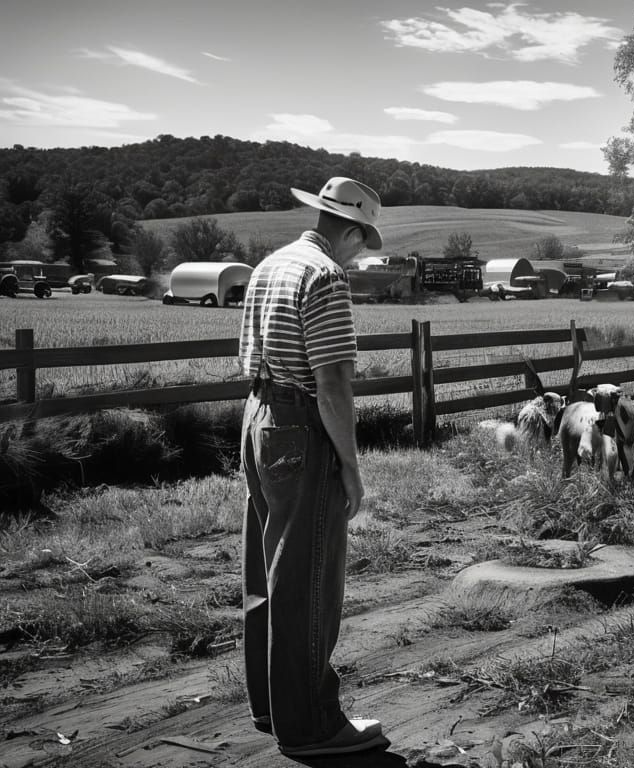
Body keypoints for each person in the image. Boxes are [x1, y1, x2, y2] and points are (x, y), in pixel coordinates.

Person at [237, 177, 389, 758]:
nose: (360, 254)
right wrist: (350, 466)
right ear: (347, 230)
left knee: (268, 567)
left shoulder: (270, 265)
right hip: (301, 424)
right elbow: (333, 381)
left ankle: (273, 705)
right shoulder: (325, 276)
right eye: (362, 242)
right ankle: (313, 724)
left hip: (258, 415)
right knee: (309, 576)